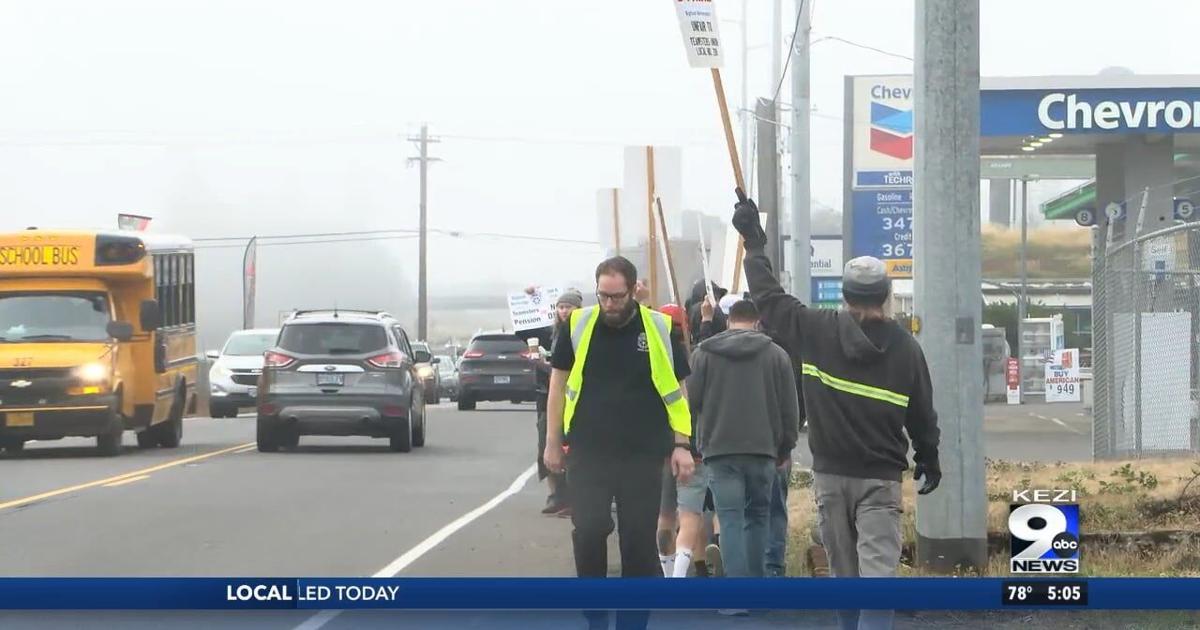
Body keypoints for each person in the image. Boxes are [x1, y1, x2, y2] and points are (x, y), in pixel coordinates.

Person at [733, 191, 942, 630]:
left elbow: (768, 298)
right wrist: (928, 456)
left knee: (844, 580)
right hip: (881, 480)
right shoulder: (906, 348)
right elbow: (922, 412)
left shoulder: (814, 330)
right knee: (878, 581)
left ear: (845, 295)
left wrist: (754, 244)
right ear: (886, 296)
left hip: (830, 475)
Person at [543, 256, 695, 630]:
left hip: (642, 453)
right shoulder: (577, 325)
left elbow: (678, 390)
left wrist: (682, 444)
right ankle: (595, 615)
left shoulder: (659, 328)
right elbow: (558, 385)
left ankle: (632, 622)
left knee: (638, 543)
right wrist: (551, 442)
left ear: (633, 290)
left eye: (617, 296)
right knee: (590, 530)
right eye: (603, 296)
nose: (609, 304)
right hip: (588, 451)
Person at [687, 298, 799, 581]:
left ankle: (734, 598)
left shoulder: (703, 354)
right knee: (758, 517)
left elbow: (691, 402)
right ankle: (757, 588)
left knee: (730, 519)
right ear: (758, 322)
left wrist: (693, 443)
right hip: (764, 451)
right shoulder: (776, 355)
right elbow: (790, 408)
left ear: (727, 321)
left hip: (719, 450)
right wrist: (784, 448)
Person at [520, 287, 583, 517]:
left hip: (575, 399)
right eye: (561, 306)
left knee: (572, 448)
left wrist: (547, 367)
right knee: (546, 444)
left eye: (568, 306)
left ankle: (575, 498)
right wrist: (531, 298)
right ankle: (557, 495)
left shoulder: (583, 332)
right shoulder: (553, 333)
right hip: (548, 395)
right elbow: (526, 330)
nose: (564, 311)